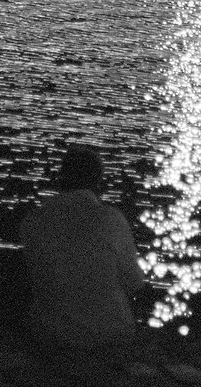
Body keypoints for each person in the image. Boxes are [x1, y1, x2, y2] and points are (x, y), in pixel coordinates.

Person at [18, 145, 144, 347]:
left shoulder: (33, 221)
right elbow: (134, 282)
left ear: (61, 178)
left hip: (53, 332)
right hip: (110, 331)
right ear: (98, 181)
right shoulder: (112, 219)